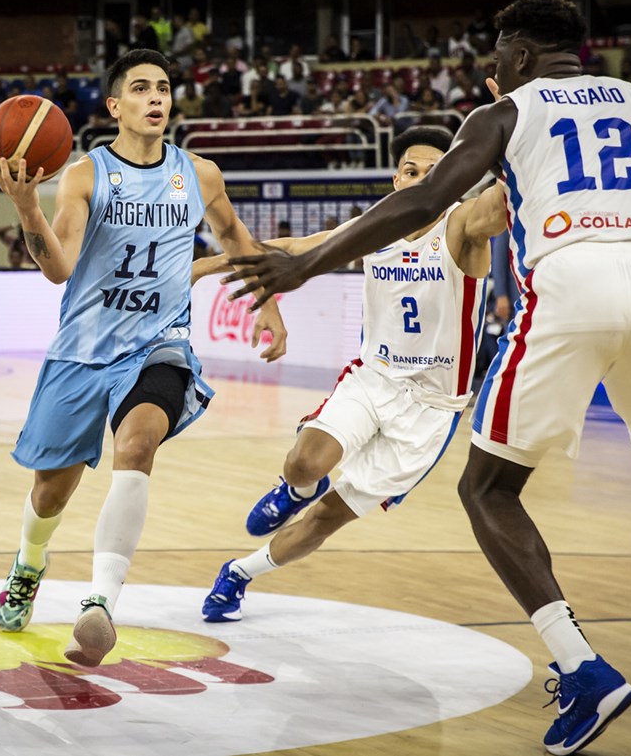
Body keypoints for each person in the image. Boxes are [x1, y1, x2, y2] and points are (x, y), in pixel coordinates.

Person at [222, 0, 631, 754]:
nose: (493, 67)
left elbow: (426, 200)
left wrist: (304, 265)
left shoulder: (504, 114)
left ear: (523, 56)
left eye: (499, 53)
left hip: (572, 282)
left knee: (487, 488)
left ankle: (582, 667)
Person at [0, 48, 286, 669]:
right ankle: (28, 565)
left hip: (159, 345)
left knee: (138, 445)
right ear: (115, 106)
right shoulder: (84, 175)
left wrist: (268, 303)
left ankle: (100, 604)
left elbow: (233, 238)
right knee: (51, 491)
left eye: (165, 88)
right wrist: (24, 207)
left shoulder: (199, 174)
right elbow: (59, 268)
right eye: (143, 89)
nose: (158, 98)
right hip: (84, 349)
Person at [202, 126, 506, 622]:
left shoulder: (463, 224)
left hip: (430, 408)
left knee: (326, 520)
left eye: (435, 173)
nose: (420, 181)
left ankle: (238, 573)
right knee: (304, 464)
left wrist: (517, 125)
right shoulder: (375, 229)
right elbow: (295, 247)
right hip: (374, 377)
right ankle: (296, 489)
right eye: (411, 171)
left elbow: (501, 200)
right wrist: (201, 268)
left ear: (455, 179)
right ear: (395, 178)